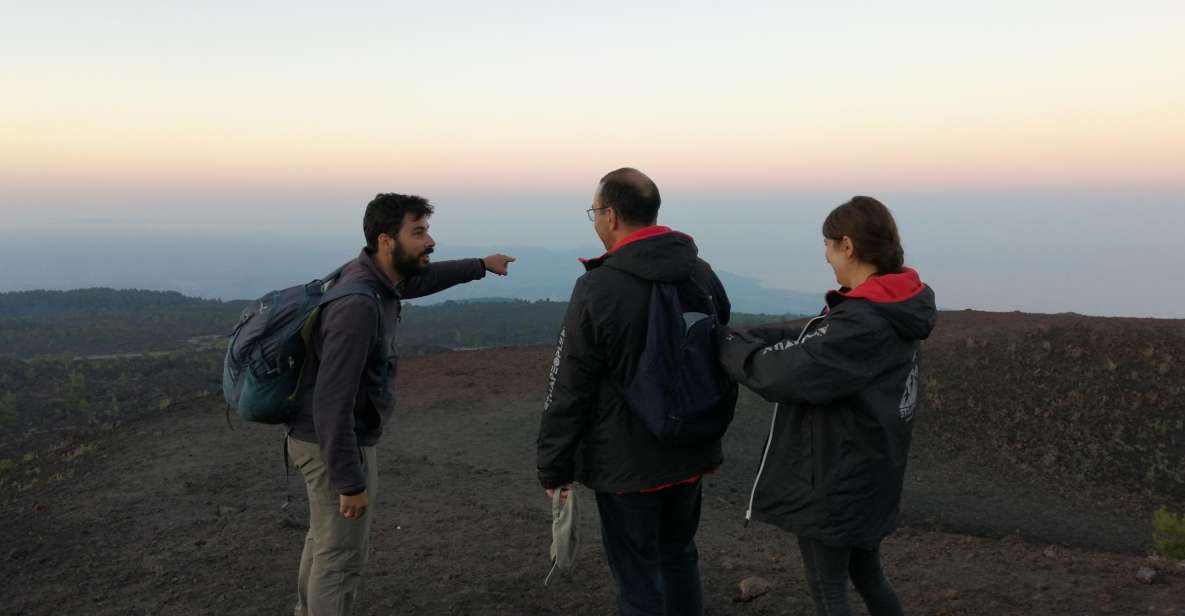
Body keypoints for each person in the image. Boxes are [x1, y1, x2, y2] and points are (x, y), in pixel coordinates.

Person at [285, 193, 515, 616]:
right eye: (419, 232)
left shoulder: (374, 278)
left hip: (322, 438)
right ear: (386, 240)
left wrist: (481, 266)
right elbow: (332, 401)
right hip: (333, 443)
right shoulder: (357, 304)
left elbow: (421, 281)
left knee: (324, 541)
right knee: (340, 558)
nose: (430, 241)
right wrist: (349, 482)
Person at [716, 196, 936, 616]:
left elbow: (786, 371)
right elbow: (815, 340)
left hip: (836, 479)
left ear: (847, 246)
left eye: (827, 244)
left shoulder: (864, 322)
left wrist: (727, 347)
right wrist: (747, 334)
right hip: (871, 472)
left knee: (828, 587)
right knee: (867, 574)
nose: (825, 254)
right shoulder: (890, 306)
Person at [536, 168, 735, 616]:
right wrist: (710, 447)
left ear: (610, 215)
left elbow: (569, 386)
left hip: (626, 467)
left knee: (637, 578)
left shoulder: (598, 287)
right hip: (688, 453)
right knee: (680, 556)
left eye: (594, 211)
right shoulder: (699, 274)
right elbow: (714, 362)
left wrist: (553, 467)